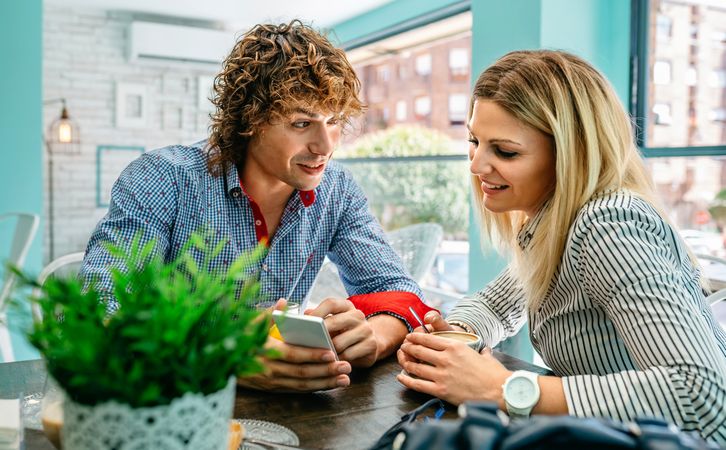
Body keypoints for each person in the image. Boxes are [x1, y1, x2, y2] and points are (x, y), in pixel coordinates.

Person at [81, 20, 435, 392]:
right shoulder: (162, 180)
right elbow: (95, 318)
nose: (325, 145)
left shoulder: (337, 190)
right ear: (251, 120)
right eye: (302, 123)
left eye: (333, 122)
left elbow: (401, 293)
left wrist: (372, 338)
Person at [396, 50, 726, 444]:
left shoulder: (608, 227)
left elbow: (702, 395)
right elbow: (496, 305)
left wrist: (505, 389)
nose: (476, 164)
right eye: (474, 140)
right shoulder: (556, 223)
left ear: (571, 154)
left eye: (505, 151)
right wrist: (457, 338)